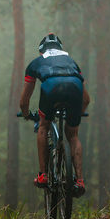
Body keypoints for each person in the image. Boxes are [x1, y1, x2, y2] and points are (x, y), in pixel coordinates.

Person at [19, 33, 90, 198]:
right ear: (60, 49)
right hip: (75, 89)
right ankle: (79, 180)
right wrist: (78, 114)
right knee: (73, 135)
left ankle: (43, 175)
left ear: (41, 50)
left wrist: (26, 114)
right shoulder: (72, 62)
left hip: (51, 88)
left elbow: (24, 101)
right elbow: (86, 99)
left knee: (44, 126)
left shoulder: (36, 63)